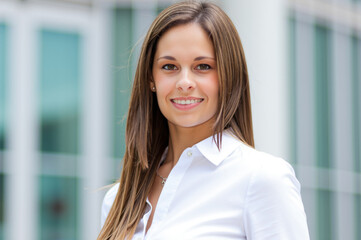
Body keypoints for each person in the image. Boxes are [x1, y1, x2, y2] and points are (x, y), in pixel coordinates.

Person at [98, 1, 310, 239]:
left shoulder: (262, 179)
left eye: (203, 66)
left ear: (228, 76)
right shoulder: (118, 200)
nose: (184, 82)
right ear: (151, 78)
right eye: (169, 66)